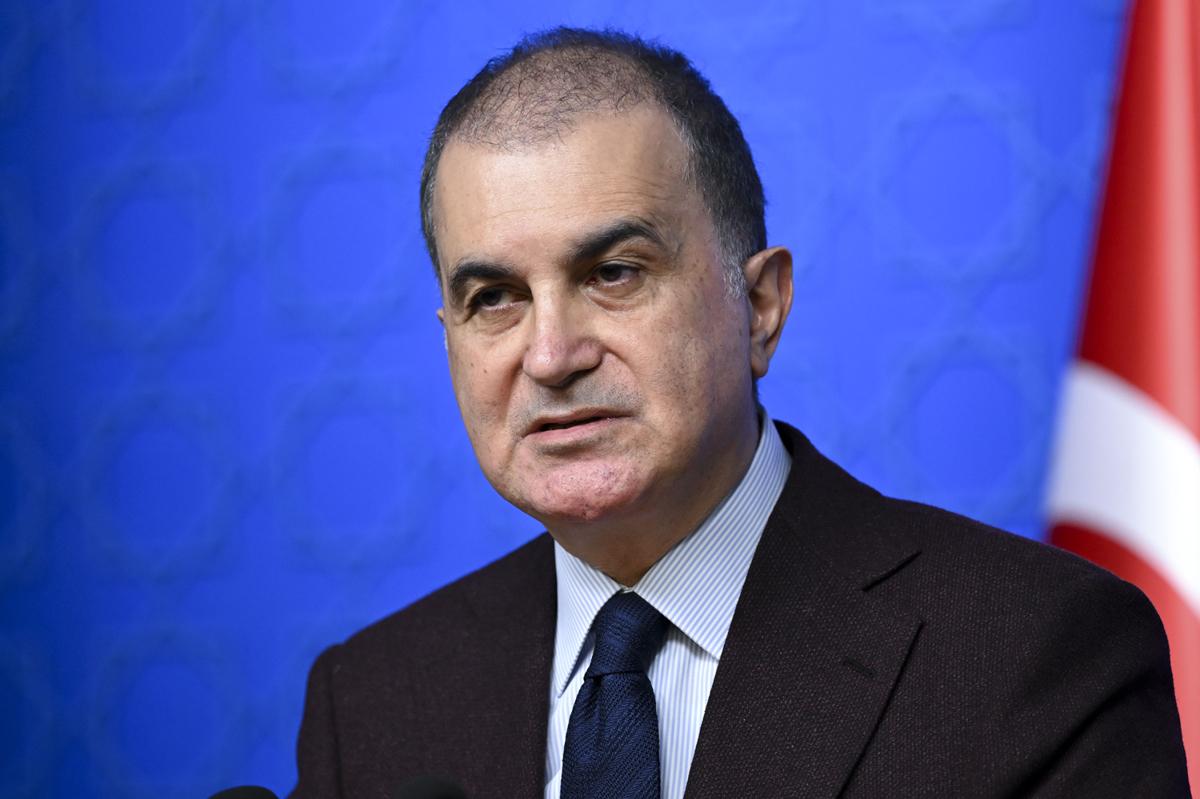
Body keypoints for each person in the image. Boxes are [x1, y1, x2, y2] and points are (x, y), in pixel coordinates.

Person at [289, 28, 1191, 798]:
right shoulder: (370, 704)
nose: (552, 355)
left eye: (614, 274)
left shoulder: (1036, 656)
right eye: (494, 297)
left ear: (760, 307)